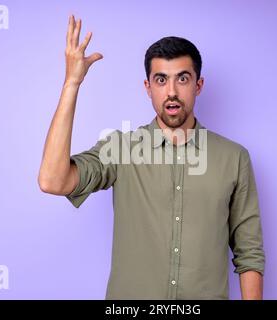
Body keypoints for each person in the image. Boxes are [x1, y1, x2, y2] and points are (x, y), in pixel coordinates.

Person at [38, 15, 265, 300]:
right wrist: (71, 84)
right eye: (161, 80)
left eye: (182, 79)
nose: (171, 92)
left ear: (198, 85)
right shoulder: (120, 149)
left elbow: (249, 254)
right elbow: (52, 180)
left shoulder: (234, 158)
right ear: (148, 88)